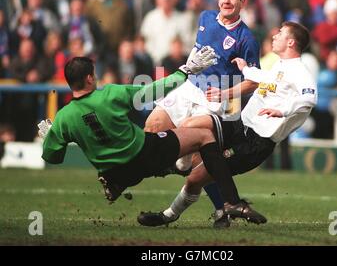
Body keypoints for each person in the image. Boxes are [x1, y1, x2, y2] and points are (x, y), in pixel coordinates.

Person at [39, 51, 258, 221]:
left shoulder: (63, 118)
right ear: (89, 78)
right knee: (203, 136)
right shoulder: (109, 94)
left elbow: (52, 156)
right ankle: (230, 202)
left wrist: (51, 136)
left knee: (162, 158)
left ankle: (122, 182)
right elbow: (153, 91)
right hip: (144, 154)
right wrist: (185, 71)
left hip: (116, 172)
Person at [137, 21, 317, 228]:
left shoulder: (300, 72)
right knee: (190, 125)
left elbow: (308, 99)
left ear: (291, 42)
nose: (275, 36)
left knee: (197, 179)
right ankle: (182, 164)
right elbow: (265, 78)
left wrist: (282, 111)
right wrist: (245, 68)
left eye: (280, 34)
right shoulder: (280, 66)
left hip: (255, 142)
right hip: (239, 124)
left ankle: (168, 215)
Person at [143, 0, 260, 227]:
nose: (227, 0)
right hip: (189, 87)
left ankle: (220, 210)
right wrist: (184, 72)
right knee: (151, 127)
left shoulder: (246, 38)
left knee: (196, 157)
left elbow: (254, 82)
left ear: (243, 1)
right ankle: (130, 176)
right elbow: (196, 51)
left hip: (215, 100)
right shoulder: (205, 18)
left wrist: (225, 94)